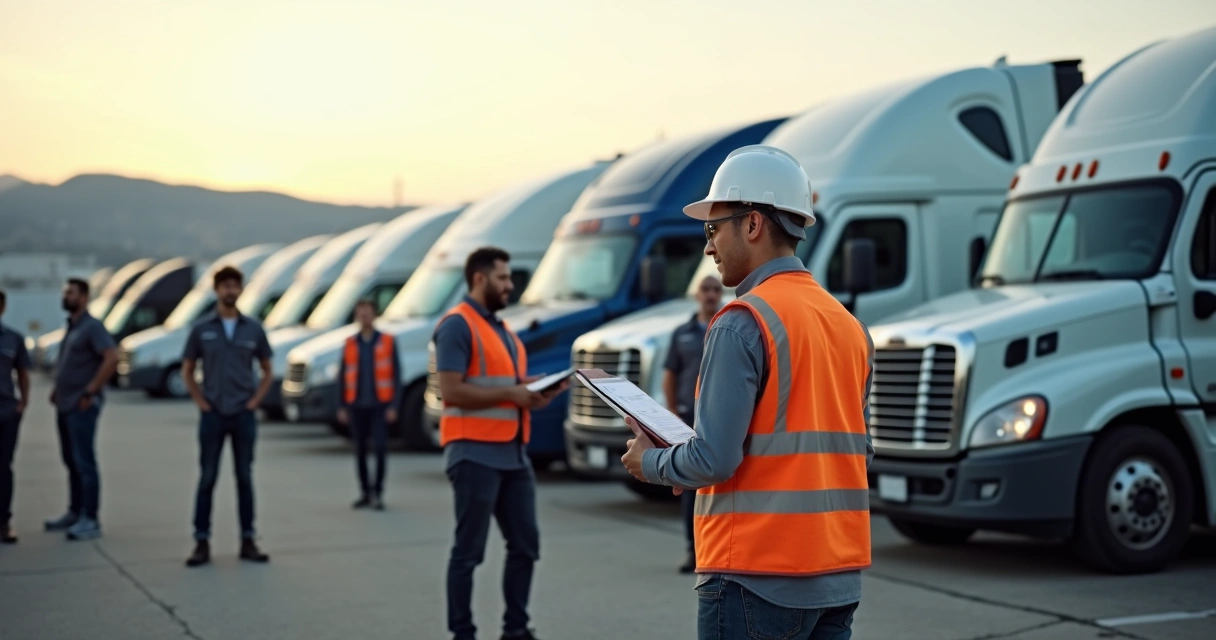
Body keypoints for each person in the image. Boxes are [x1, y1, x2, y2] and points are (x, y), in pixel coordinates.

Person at [621, 146, 875, 640]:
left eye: (713, 230)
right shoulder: (848, 326)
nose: (708, 248)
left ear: (753, 224)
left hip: (755, 578)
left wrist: (649, 463)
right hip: (837, 580)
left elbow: (715, 459)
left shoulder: (743, 322)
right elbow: (854, 449)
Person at [432, 246, 565, 640]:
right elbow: (452, 391)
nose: (510, 285)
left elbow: (510, 383)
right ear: (479, 278)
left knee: (526, 546)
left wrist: (540, 389)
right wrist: (513, 394)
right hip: (473, 453)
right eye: (503, 278)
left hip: (512, 453)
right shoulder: (457, 325)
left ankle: (516, 629)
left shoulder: (503, 330)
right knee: (468, 552)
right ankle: (462, 633)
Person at [181, 266, 274, 567]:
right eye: (225, 286)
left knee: (244, 478)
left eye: (235, 285)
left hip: (243, 414)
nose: (230, 291)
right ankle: (201, 541)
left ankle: (248, 540)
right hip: (213, 414)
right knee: (207, 478)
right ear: (216, 290)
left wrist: (255, 402)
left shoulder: (253, 329)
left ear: (241, 290)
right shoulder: (201, 329)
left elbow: (268, 370)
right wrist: (201, 402)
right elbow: (187, 369)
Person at [46, 278, 118, 541]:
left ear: (85, 297)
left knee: (85, 462)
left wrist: (91, 390)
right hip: (65, 404)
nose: (66, 296)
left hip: (82, 405)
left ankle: (91, 519)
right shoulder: (72, 326)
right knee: (71, 461)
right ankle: (75, 512)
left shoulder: (92, 327)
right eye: (65, 292)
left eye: (71, 293)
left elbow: (111, 358)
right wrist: (57, 388)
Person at [663, 274, 722, 574]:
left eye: (716, 289)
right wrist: (672, 409)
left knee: (718, 487)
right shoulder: (681, 333)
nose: (711, 295)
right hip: (688, 418)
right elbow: (670, 373)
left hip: (718, 418)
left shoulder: (729, 327)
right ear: (697, 295)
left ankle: (717, 550)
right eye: (706, 289)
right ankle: (693, 550)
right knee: (688, 489)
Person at [337, 299, 401, 511]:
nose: (364, 316)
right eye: (360, 312)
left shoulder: (387, 341)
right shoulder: (350, 343)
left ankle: (378, 492)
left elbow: (396, 374)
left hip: (380, 405)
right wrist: (342, 406)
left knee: (381, 448)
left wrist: (394, 405)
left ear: (374, 315)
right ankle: (365, 491)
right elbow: (342, 376)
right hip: (356, 405)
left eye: (367, 312)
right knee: (360, 450)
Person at [0, 288, 32, 544]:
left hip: (6, 411)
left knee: (4, 468)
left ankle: (4, 522)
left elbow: (23, 372)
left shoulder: (13, 339)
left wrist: (24, 402)